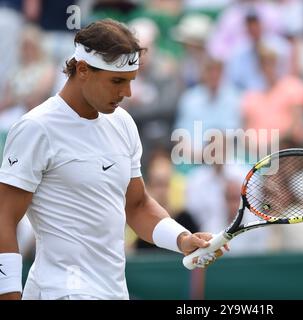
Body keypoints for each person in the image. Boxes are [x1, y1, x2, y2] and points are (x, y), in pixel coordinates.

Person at [0, 19, 225, 300]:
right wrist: (8, 294)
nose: (127, 93)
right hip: (59, 292)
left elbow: (138, 205)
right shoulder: (36, 128)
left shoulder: (123, 123)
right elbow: (3, 219)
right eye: (117, 81)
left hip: (114, 292)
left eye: (131, 81)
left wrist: (182, 239)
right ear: (82, 70)